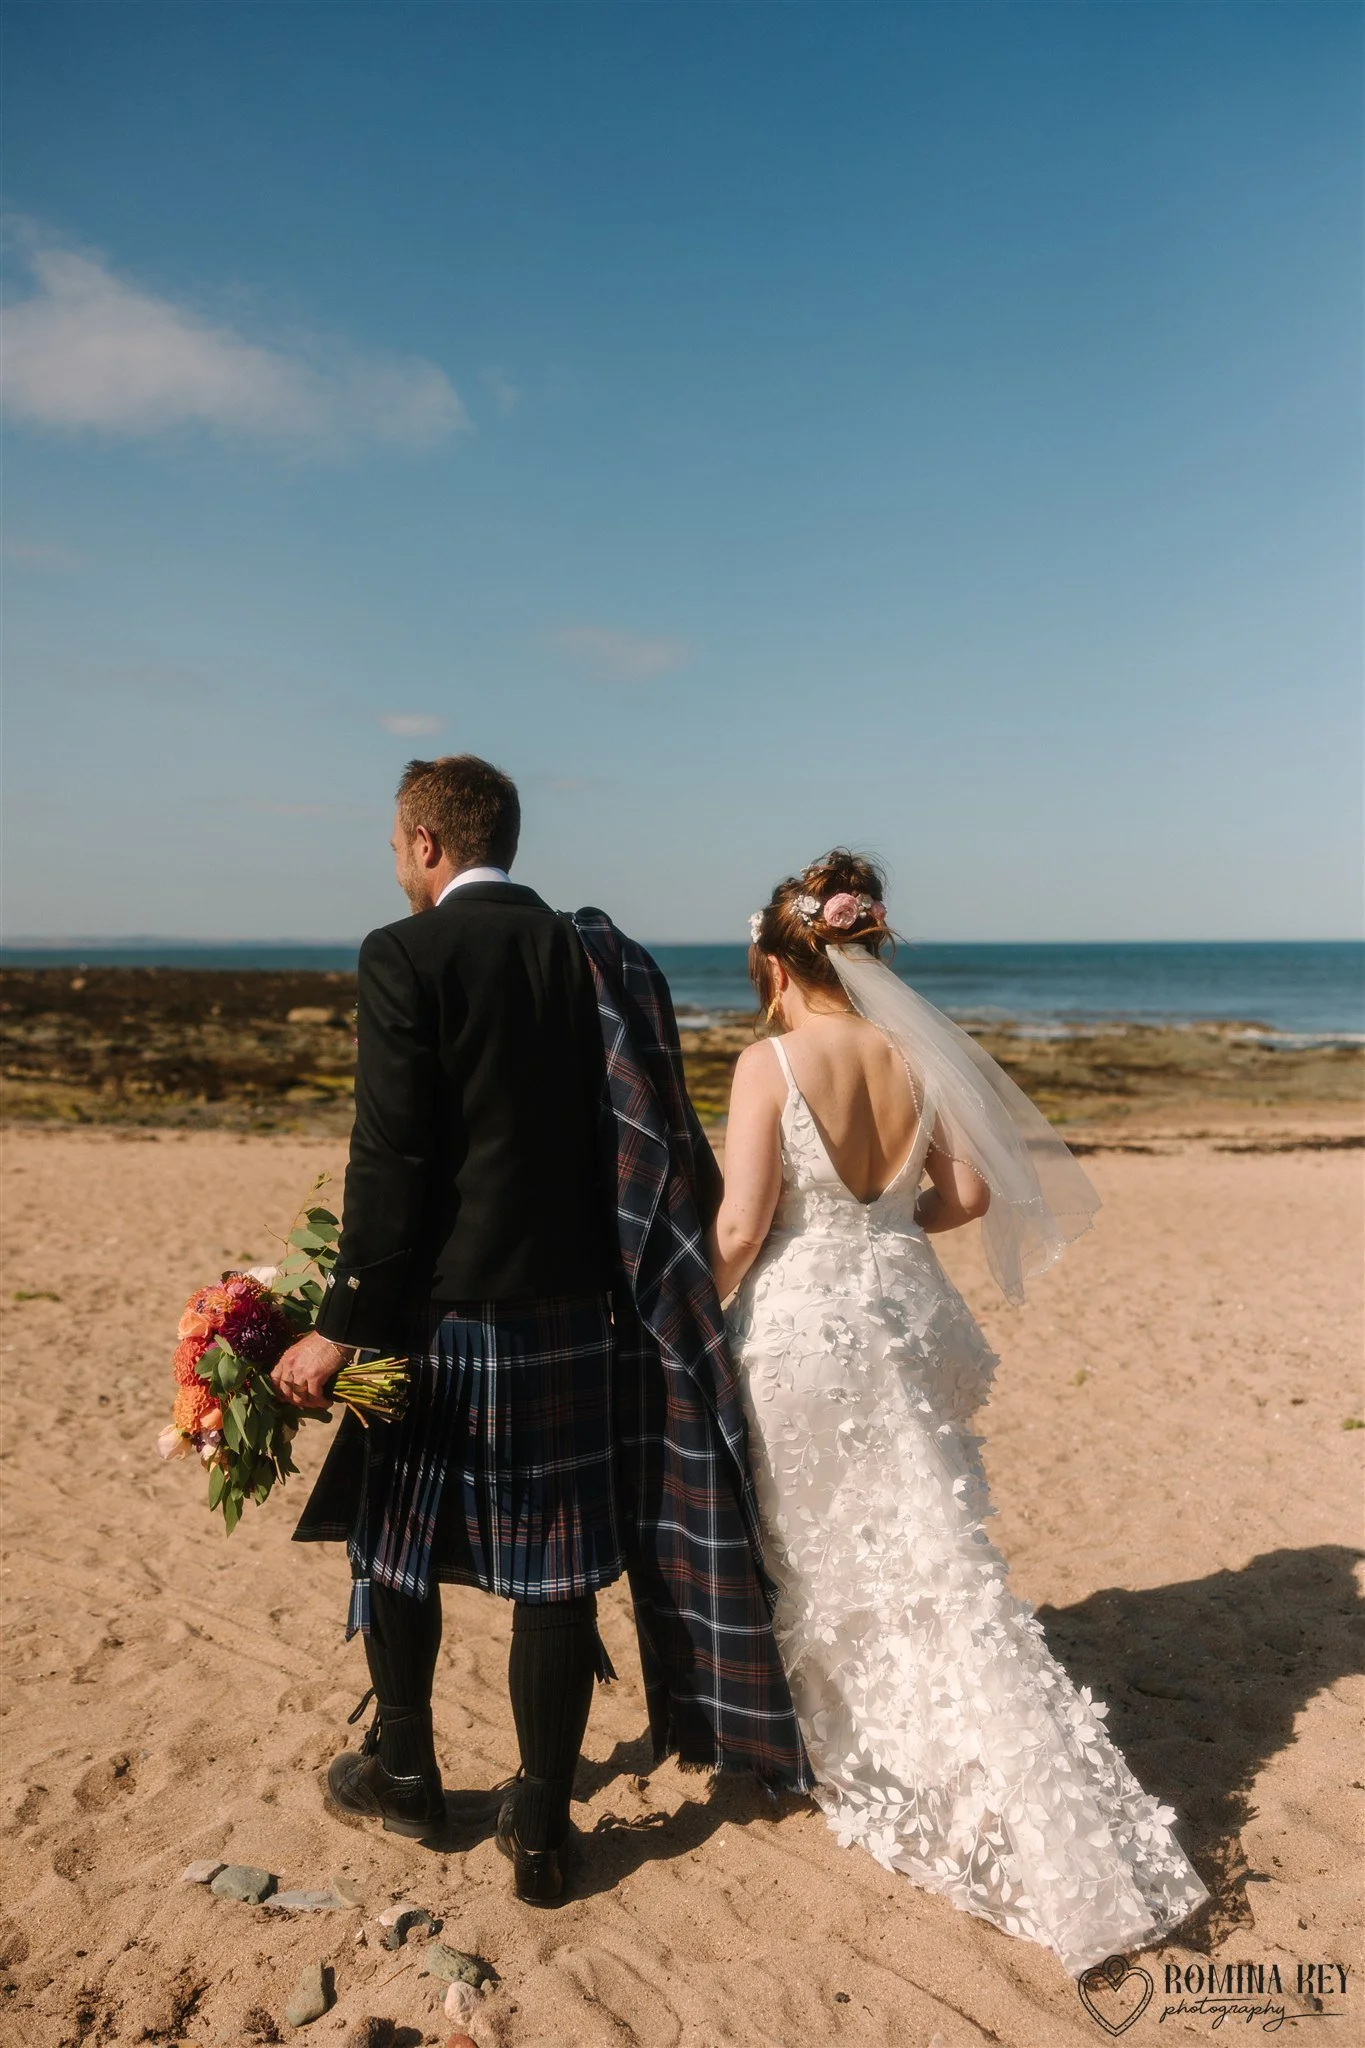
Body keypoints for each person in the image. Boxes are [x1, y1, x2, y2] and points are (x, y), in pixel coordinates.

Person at [711, 850, 1209, 1978]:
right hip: (907, 1309)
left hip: (807, 1323)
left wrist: (694, 1304)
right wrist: (883, 1220)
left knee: (829, 1546)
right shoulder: (913, 1052)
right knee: (932, 1543)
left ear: (780, 962)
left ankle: (865, 1755)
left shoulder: (769, 1062)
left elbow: (741, 1226)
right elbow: (971, 1194)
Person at [273, 754, 623, 1903]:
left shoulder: (403, 953)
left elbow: (393, 1155)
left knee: (395, 1539)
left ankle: (409, 1773)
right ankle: (541, 1827)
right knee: (557, 1568)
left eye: (392, 842)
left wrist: (339, 1323)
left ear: (428, 841)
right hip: (572, 1301)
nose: (392, 861)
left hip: (439, 1312)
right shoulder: (588, 951)